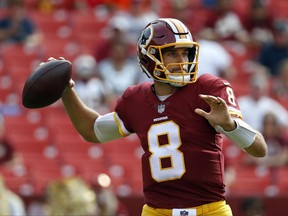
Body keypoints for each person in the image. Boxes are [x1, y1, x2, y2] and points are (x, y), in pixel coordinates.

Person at [49, 18, 267, 216]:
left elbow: (259, 149)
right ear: (149, 58)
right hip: (157, 212)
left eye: (185, 53)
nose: (182, 60)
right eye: (172, 53)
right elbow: (93, 131)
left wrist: (230, 125)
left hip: (210, 210)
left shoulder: (207, 88)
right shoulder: (136, 99)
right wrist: (67, 92)